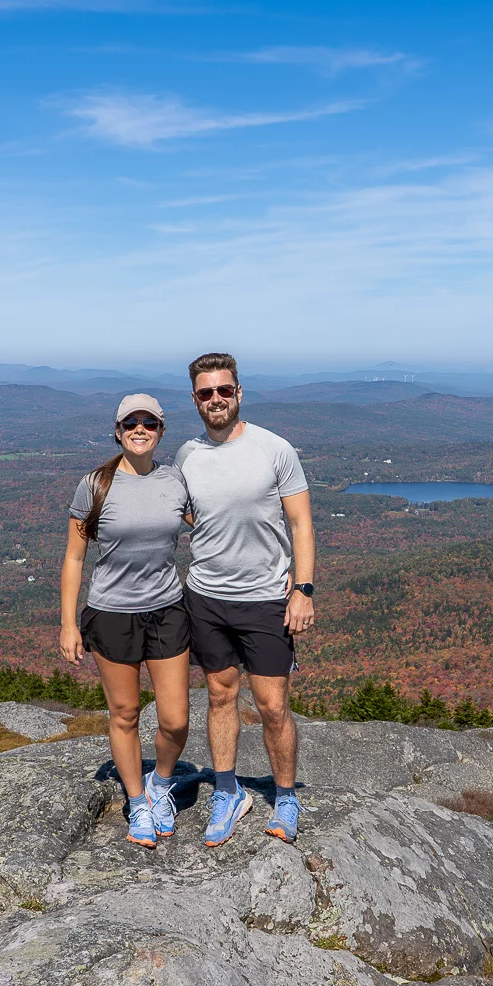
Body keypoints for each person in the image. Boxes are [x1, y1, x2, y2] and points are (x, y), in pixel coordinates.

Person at [173, 352, 315, 846]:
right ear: (195, 399)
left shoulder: (274, 449)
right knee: (219, 696)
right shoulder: (187, 455)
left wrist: (302, 589)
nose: (216, 399)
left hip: (265, 600)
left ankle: (286, 796)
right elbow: (187, 513)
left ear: (239, 392)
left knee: (273, 705)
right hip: (207, 597)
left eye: (224, 390)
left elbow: (301, 523)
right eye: (206, 392)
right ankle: (228, 792)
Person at [59, 393, 193, 847]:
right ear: (117, 431)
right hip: (112, 613)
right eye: (130, 423)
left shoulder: (176, 482)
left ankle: (160, 785)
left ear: (160, 432)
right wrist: (67, 623)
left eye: (149, 423)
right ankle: (137, 801)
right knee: (126, 713)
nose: (140, 429)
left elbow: (213, 527)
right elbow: (75, 558)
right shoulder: (95, 485)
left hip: (168, 607)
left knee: (175, 719)